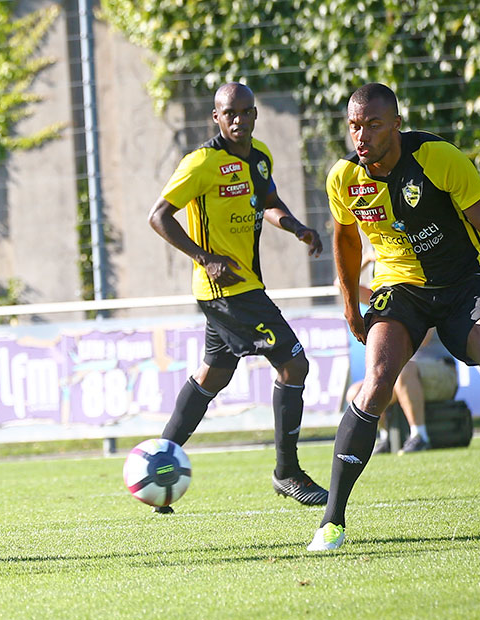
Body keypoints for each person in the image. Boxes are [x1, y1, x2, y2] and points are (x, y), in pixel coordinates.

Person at [309, 82, 480, 551]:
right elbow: (346, 240)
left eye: (373, 124)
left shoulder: (438, 158)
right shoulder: (344, 178)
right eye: (354, 126)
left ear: (397, 125)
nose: (361, 136)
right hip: (399, 289)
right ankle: (332, 521)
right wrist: (350, 305)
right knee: (377, 382)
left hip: (461, 285)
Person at [148, 82, 328, 511]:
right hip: (225, 290)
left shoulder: (260, 157)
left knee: (213, 375)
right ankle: (287, 473)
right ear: (216, 117)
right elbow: (158, 217)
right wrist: (204, 257)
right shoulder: (201, 163)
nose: (239, 120)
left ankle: (157, 467)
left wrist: (296, 227)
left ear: (254, 115)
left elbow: (268, 200)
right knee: (294, 363)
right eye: (230, 113)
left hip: (245, 284)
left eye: (246, 112)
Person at [347, 328, 458, 455]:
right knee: (356, 392)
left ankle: (420, 436)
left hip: (443, 371)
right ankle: (387, 437)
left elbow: (422, 338)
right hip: (405, 376)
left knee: (405, 370)